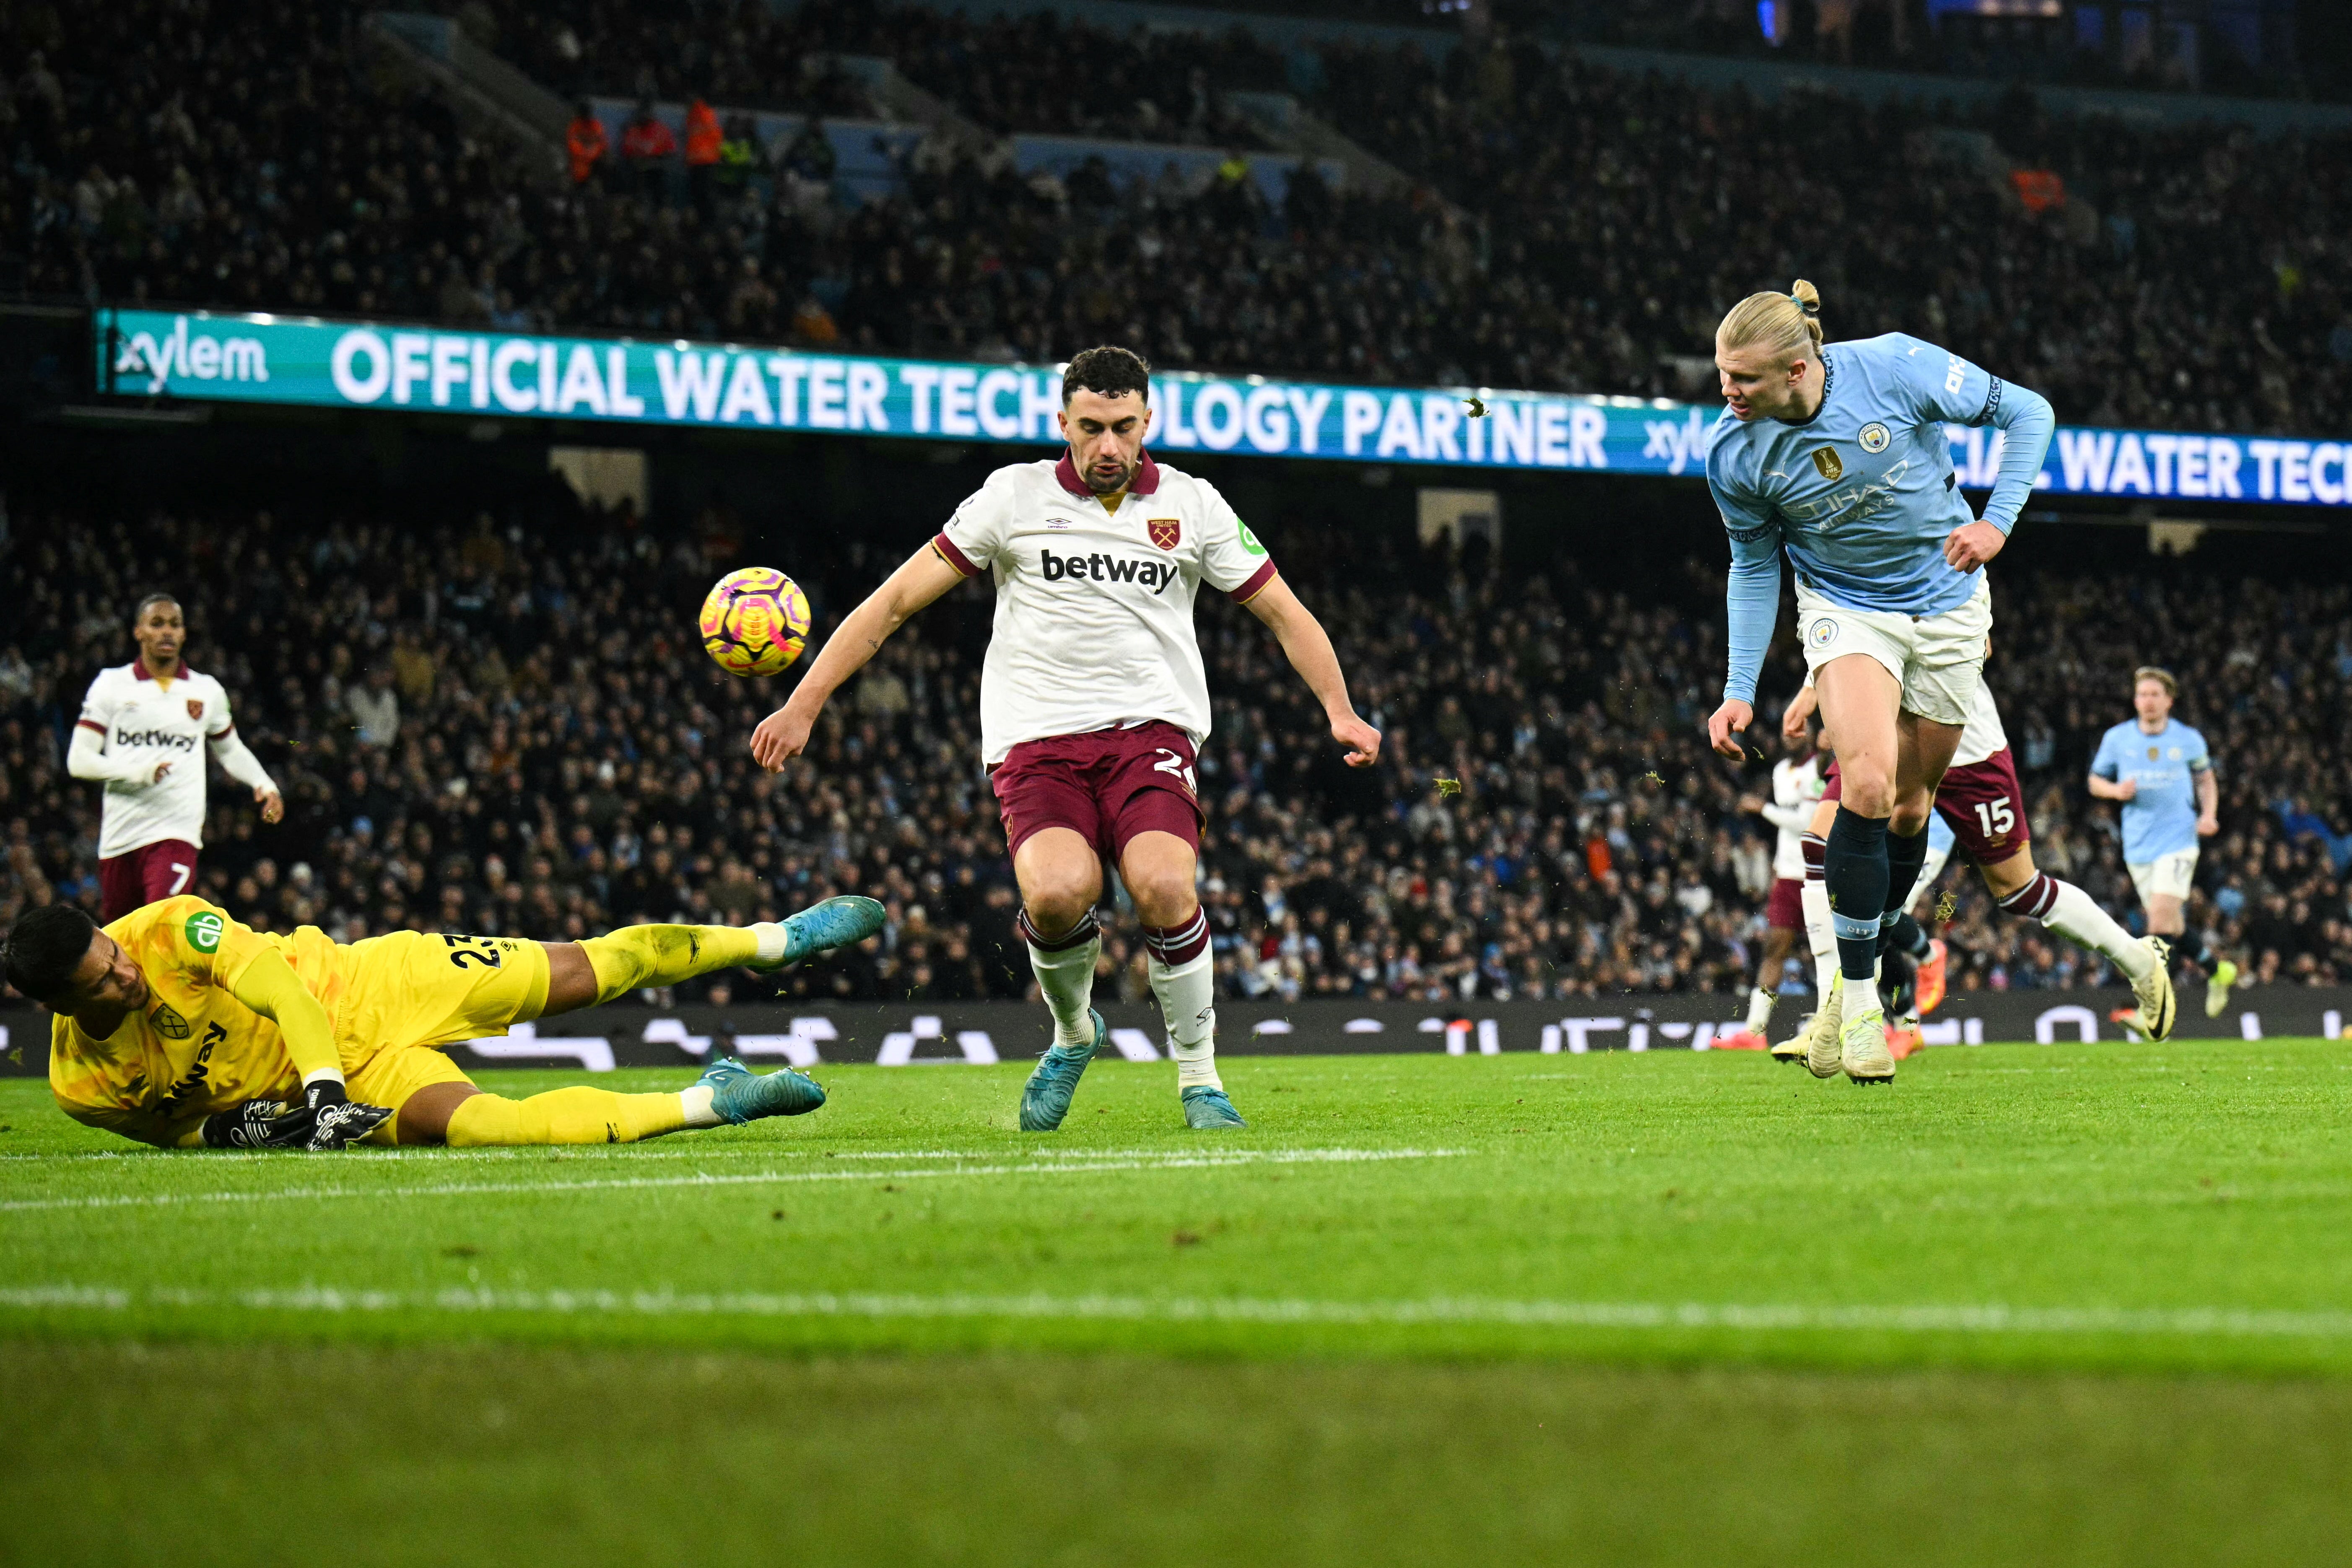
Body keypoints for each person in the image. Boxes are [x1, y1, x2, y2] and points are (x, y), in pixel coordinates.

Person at [749, 345, 1380, 1130]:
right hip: (1036, 741)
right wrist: (805, 702)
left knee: (1162, 885)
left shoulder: (1194, 506)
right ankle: (1076, 1033)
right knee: (1053, 897)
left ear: (1148, 421)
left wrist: (1340, 710)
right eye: (1091, 428)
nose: (1108, 446)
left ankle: (1200, 1081)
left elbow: (1284, 611)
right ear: (1063, 424)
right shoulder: (1011, 498)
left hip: (1149, 732)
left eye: (1123, 427)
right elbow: (896, 601)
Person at [1705, 278, 2056, 1085]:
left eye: (1744, 379)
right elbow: (1755, 568)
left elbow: (2028, 412)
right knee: (1864, 784)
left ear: (1799, 369)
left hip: (1948, 603)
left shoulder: (1894, 367)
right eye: (1722, 373)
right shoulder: (1732, 450)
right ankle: (1859, 1005)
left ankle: (1855, 994)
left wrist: (1996, 522)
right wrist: (1739, 687)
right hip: (1846, 609)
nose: (1727, 392)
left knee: (1911, 807)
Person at [2, 893, 884, 1151]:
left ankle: (773, 941)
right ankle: (711, 1100)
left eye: (111, 951)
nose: (124, 967)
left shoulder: (164, 928)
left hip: (376, 984)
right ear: (63, 1006)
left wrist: (320, 1089)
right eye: (104, 978)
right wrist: (259, 1129)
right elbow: (185, 1137)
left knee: (588, 970)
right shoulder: (85, 1088)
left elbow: (286, 994)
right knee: (488, 1129)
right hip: (354, 1092)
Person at [1773, 672, 2173, 1067]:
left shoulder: (1955, 606)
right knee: (1820, 843)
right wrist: (1816, 685)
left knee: (2019, 890)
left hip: (1963, 742)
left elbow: (1980, 644)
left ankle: (2141, 963)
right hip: (1888, 730)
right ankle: (1831, 1014)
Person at [69, 593, 281, 924]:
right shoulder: (112, 685)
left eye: (174, 625)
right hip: (120, 837)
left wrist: (264, 784)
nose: (167, 632)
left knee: (163, 928)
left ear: (184, 634)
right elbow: (79, 760)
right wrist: (138, 772)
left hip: (176, 833)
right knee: (121, 947)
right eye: (157, 624)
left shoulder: (206, 691)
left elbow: (230, 749)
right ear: (138, 632)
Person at [2091, 666, 2235, 1016]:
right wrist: (2115, 790)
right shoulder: (2117, 739)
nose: (2148, 701)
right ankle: (2219, 972)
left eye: (2155, 695)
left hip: (2179, 839)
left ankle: (2154, 1010)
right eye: (2143, 695)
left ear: (2169, 700)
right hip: (2139, 846)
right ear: (2135, 700)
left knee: (2157, 924)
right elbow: (2096, 781)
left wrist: (2209, 814)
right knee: (2173, 926)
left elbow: (2206, 780)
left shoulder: (2188, 739)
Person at [1719, 710, 1829, 1050]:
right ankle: (1754, 1032)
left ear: (1809, 736)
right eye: (1787, 730)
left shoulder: (1821, 770)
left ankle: (1858, 1022)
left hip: (1820, 874)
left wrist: (1761, 808)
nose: (1791, 735)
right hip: (1788, 875)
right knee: (1774, 947)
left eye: (1799, 730)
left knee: (1832, 953)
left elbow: (1807, 821)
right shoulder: (1781, 771)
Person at [565, 99, 607, 187]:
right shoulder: (576, 126)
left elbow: (601, 143)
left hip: (594, 159)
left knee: (606, 165)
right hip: (579, 159)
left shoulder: (595, 125)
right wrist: (583, 153)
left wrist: (591, 153)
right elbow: (572, 143)